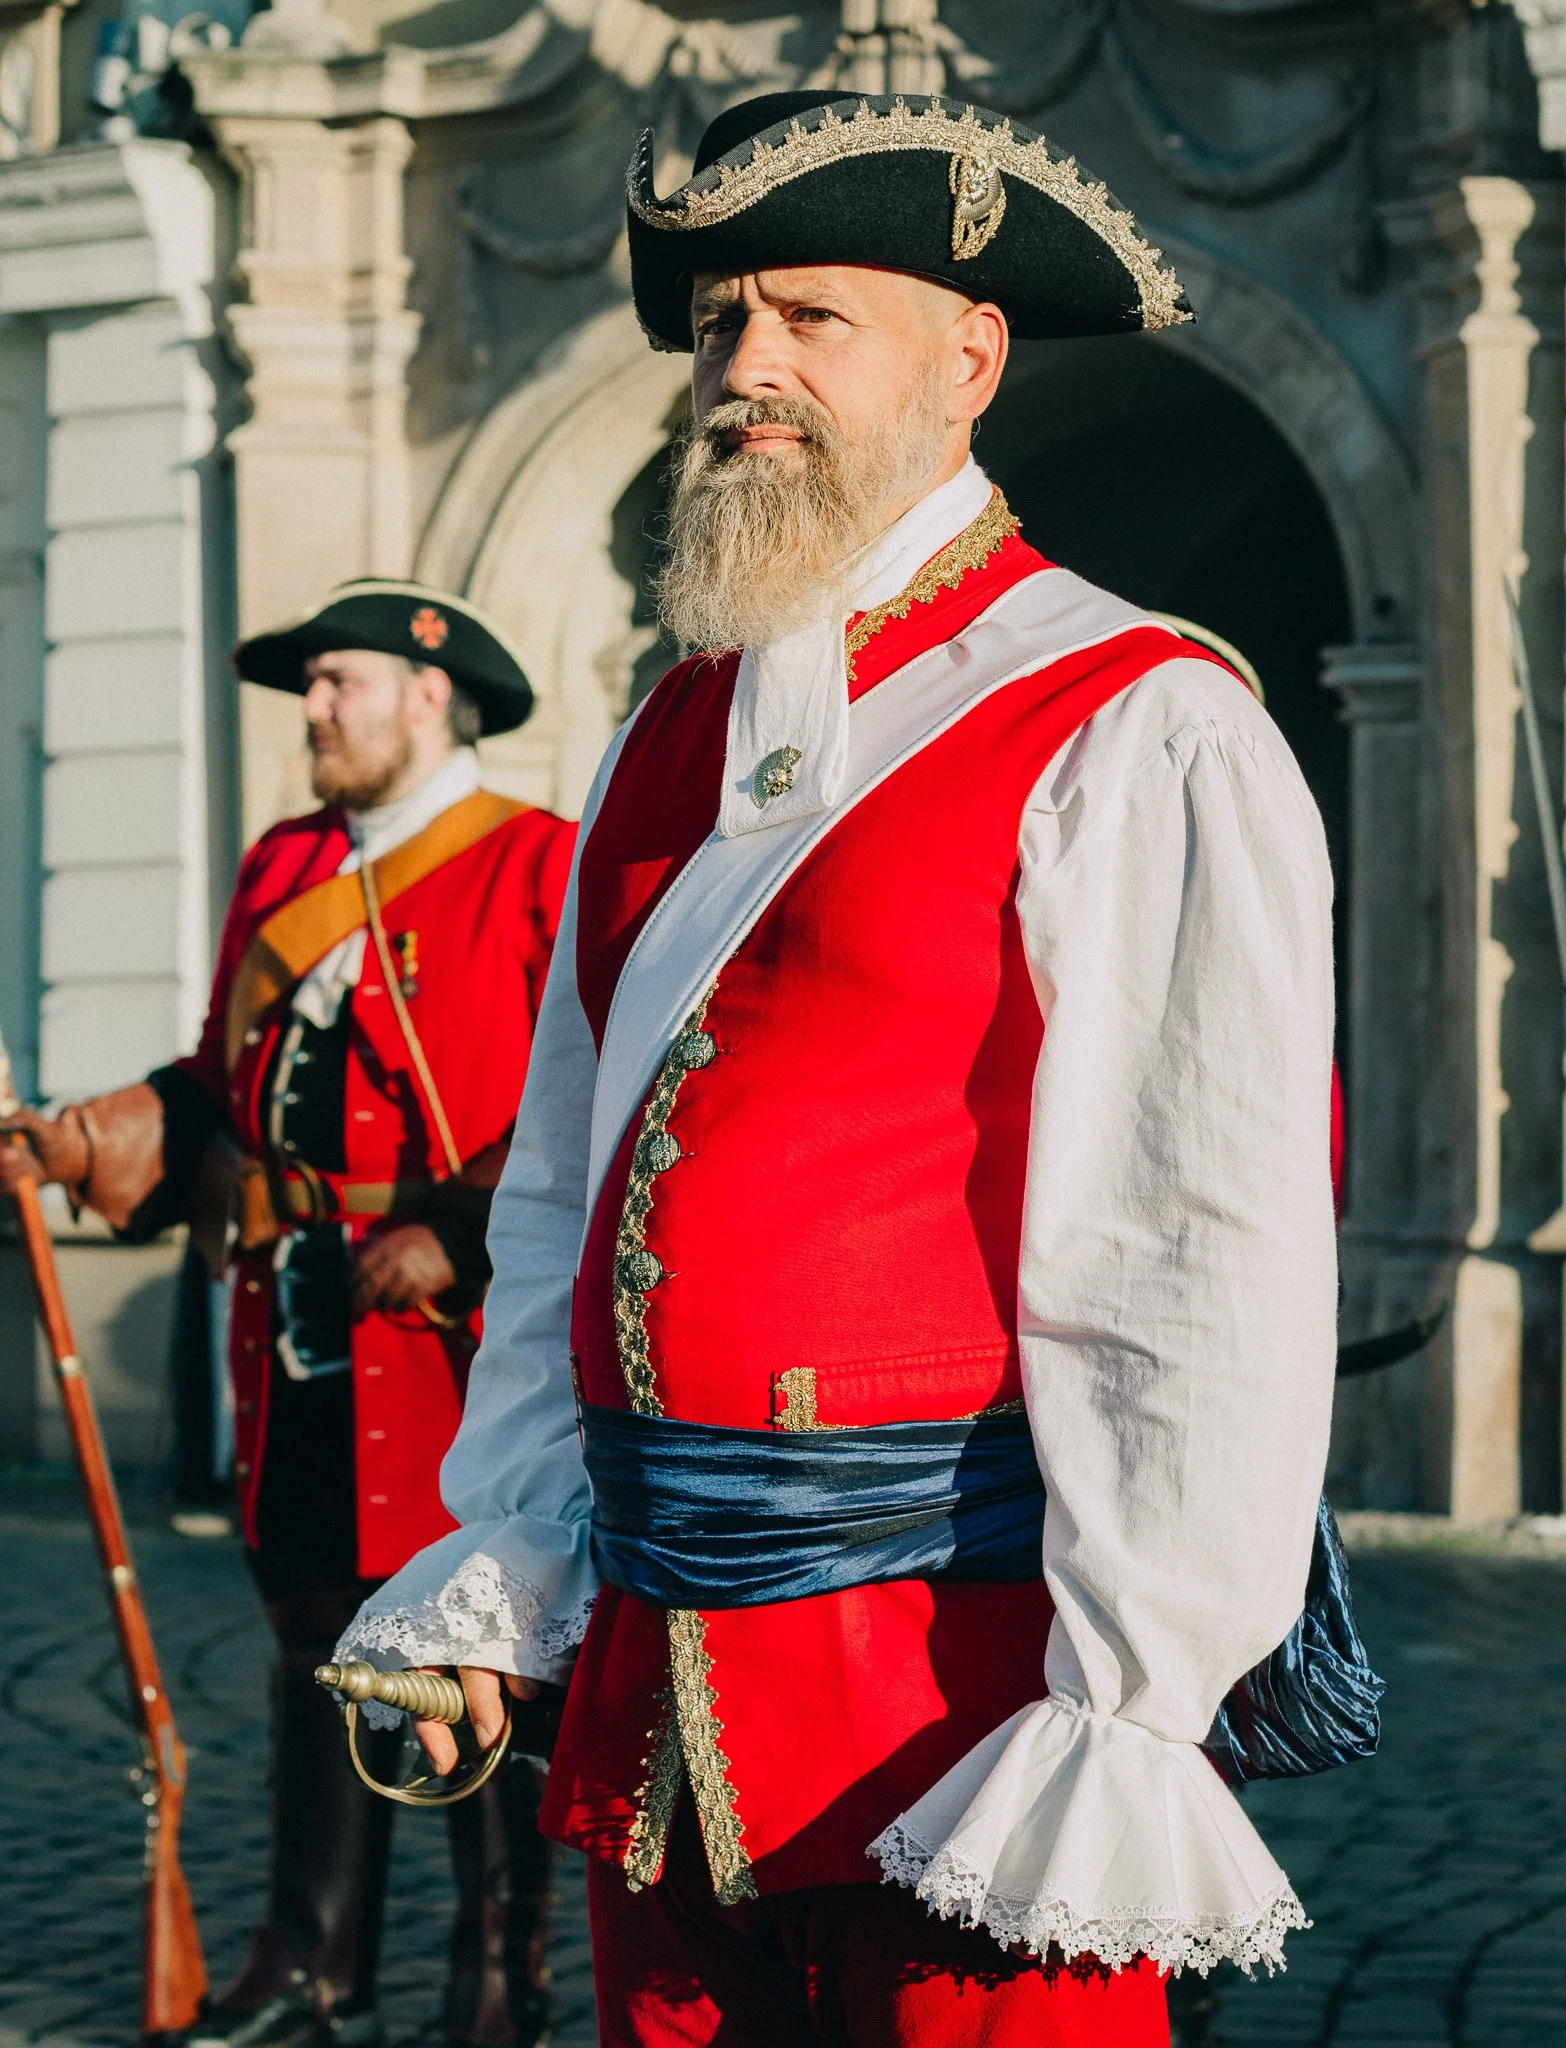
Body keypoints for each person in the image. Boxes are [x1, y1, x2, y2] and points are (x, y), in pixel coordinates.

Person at [338, 91, 1339, 2047]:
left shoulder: (1133, 715)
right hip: (658, 1703)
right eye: (721, 325)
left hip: (960, 1711)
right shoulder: (664, 734)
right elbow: (560, 1189)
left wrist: (1132, 1695)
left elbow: (1195, 1255)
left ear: (971, 360)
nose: (747, 369)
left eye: (813, 317)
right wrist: (518, 1537)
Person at [0, 580, 576, 2048]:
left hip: (457, 1344)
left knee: (476, 1649)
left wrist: (452, 1232)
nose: (312, 711)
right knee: (320, 1643)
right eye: (311, 685)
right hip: (296, 1327)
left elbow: (588, 1091)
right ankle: (308, 1968)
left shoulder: (534, 867)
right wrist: (85, 1140)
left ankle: (498, 1984)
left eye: (337, 682)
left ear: (429, 694)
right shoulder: (283, 867)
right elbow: (215, 1079)